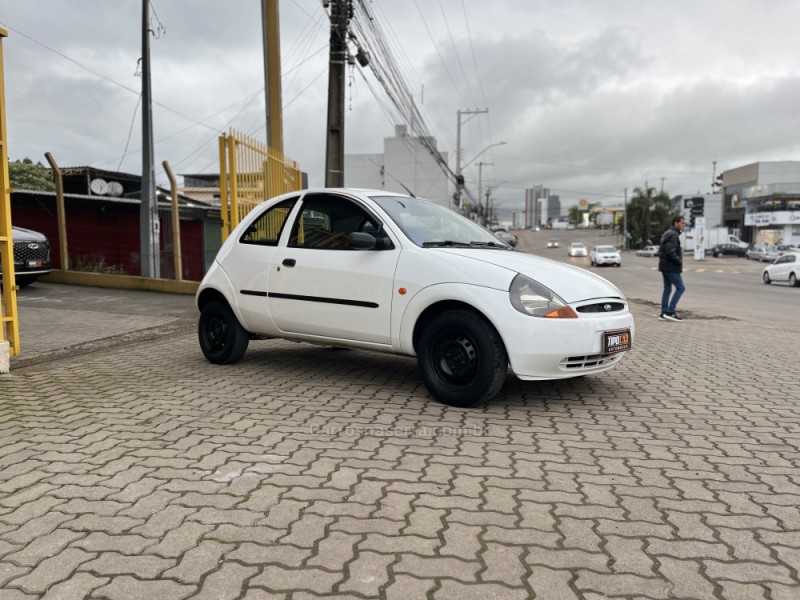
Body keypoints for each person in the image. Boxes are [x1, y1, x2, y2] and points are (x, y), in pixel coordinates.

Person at [658, 216, 686, 321]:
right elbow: (671, 252)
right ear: (676, 223)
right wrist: (679, 262)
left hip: (665, 266)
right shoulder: (673, 235)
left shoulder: (667, 233)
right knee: (681, 288)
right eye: (682, 223)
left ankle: (664, 313)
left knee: (667, 289)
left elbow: (662, 251)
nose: (684, 225)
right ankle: (670, 312)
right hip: (671, 267)